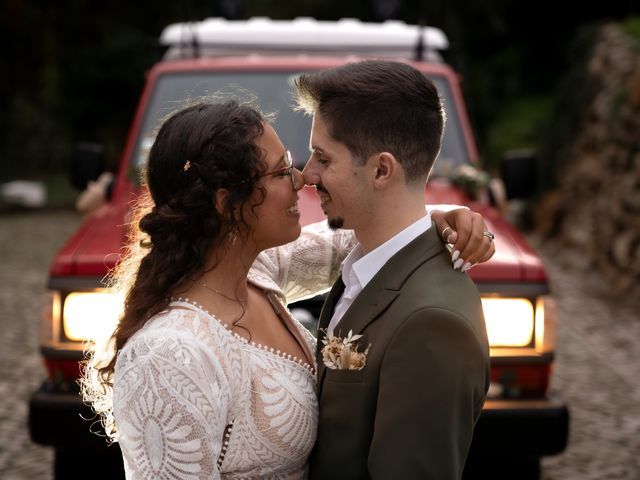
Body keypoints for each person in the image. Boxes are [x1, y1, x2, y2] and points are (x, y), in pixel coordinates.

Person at [81, 98, 492, 479]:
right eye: (280, 172)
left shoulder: (256, 270)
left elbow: (365, 234)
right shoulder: (171, 355)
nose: (302, 180)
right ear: (227, 203)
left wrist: (445, 216)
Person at [293, 59, 491, 479]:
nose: (307, 174)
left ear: (382, 170)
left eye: (323, 158)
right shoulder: (367, 266)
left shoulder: (432, 323)